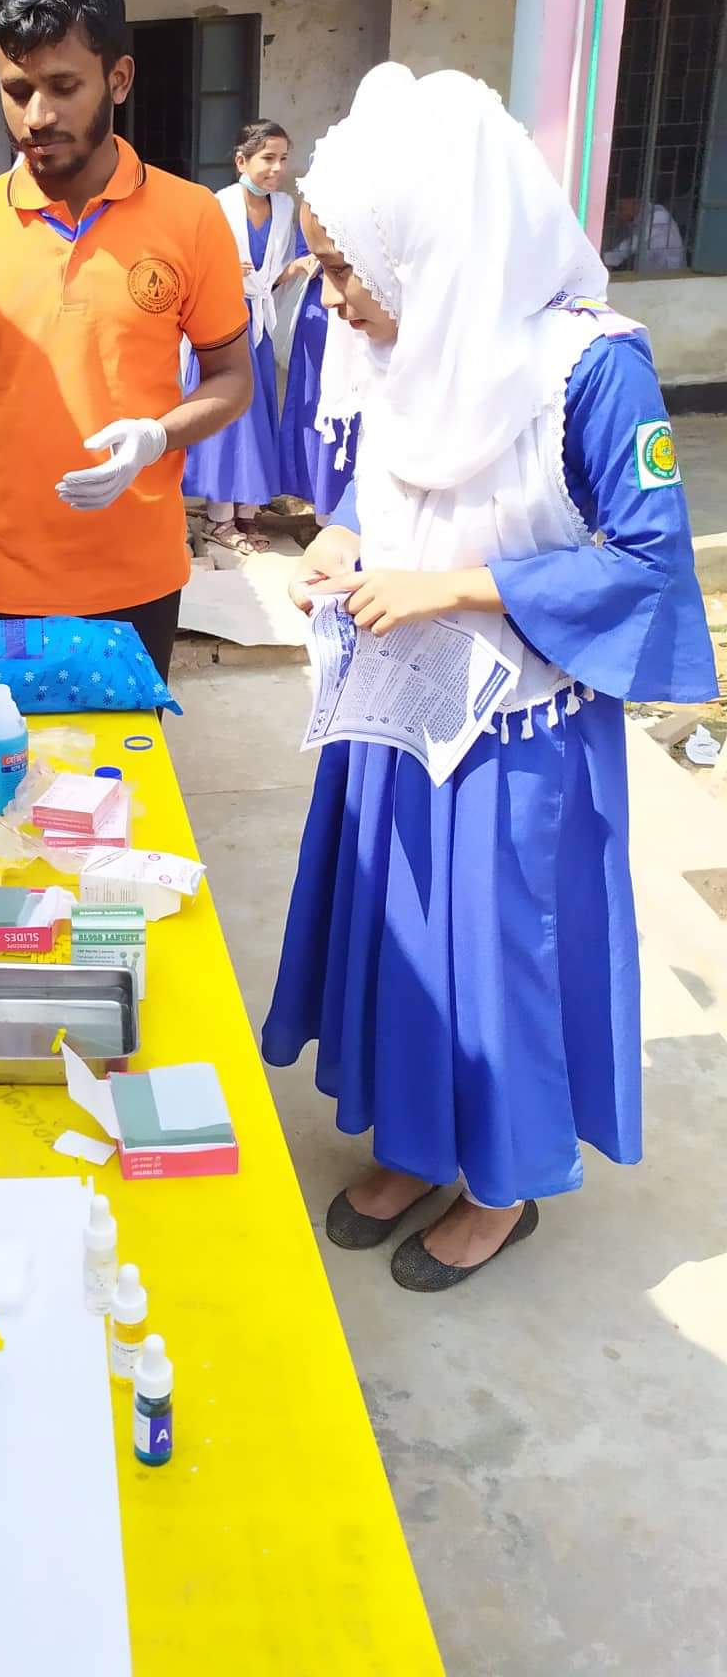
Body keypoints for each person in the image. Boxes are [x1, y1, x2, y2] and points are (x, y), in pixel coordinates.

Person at [264, 63, 716, 1290]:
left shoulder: (592, 367)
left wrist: (457, 587)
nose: (336, 297)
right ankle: (416, 1142)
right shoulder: (414, 340)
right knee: (406, 941)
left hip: (519, 733)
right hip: (401, 710)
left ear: (428, 245)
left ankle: (500, 1187)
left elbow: (648, 560)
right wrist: (344, 539)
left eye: (347, 268)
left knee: (500, 959)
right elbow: (395, 483)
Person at [0, 0, 252, 683]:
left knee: (123, 756)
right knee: (5, 753)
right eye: (16, 89)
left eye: (63, 86)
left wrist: (157, 436)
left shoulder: (191, 217)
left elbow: (231, 378)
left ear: (118, 77)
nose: (37, 115)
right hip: (4, 573)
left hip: (137, 570)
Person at [183, 120, 313, 550]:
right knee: (226, 419)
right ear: (242, 161)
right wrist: (220, 269)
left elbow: (276, 272)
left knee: (256, 419)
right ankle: (220, 519)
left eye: (283, 159)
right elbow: (190, 261)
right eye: (267, 158)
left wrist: (296, 268)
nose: (277, 168)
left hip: (258, 324)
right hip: (221, 322)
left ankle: (247, 514)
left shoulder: (286, 208)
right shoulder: (216, 205)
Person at [602, 194, 686, 272]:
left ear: (635, 203)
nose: (618, 213)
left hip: (668, 272)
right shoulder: (634, 218)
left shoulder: (657, 215)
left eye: (621, 208)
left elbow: (632, 244)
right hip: (650, 271)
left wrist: (605, 259)